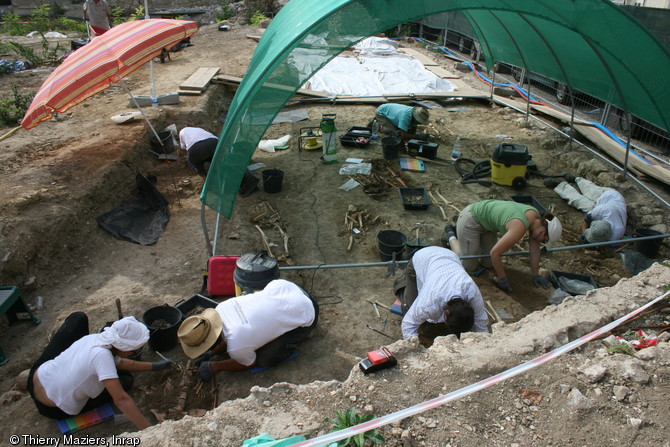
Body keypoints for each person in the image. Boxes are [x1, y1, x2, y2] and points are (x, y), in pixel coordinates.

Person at [27, 312, 173, 430]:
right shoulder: (102, 357)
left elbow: (120, 362)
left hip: (37, 376)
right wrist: (150, 430)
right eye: (132, 350)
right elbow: (121, 399)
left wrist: (155, 366)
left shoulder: (97, 338)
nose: (132, 353)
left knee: (78, 318)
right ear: (123, 347)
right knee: (125, 381)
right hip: (53, 407)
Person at [177, 279, 318, 381]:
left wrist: (214, 366)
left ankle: (300, 337)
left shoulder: (237, 346)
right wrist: (212, 352)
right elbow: (231, 332)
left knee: (265, 359)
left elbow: (248, 363)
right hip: (287, 287)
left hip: (307, 310)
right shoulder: (220, 309)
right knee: (252, 337)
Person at [442, 199, 562, 292]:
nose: (541, 242)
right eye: (544, 240)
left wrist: (535, 275)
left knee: (488, 263)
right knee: (469, 266)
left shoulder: (535, 218)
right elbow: (495, 253)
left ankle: (470, 244)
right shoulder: (519, 226)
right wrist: (502, 279)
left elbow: (535, 250)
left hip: (488, 225)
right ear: (542, 231)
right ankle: (450, 235)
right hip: (471, 219)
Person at [394, 246, 488, 341]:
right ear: (446, 313)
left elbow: (480, 322)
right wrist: (414, 346)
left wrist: (483, 343)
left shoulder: (472, 291)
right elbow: (408, 323)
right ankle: (401, 285)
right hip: (422, 258)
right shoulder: (430, 303)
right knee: (410, 306)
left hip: (449, 257)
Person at [544, 176, 627, 243]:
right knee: (589, 191)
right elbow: (586, 220)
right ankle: (572, 180)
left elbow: (605, 244)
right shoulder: (601, 211)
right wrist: (584, 233)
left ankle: (562, 185)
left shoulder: (616, 234)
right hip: (609, 195)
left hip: (613, 203)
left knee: (581, 202)